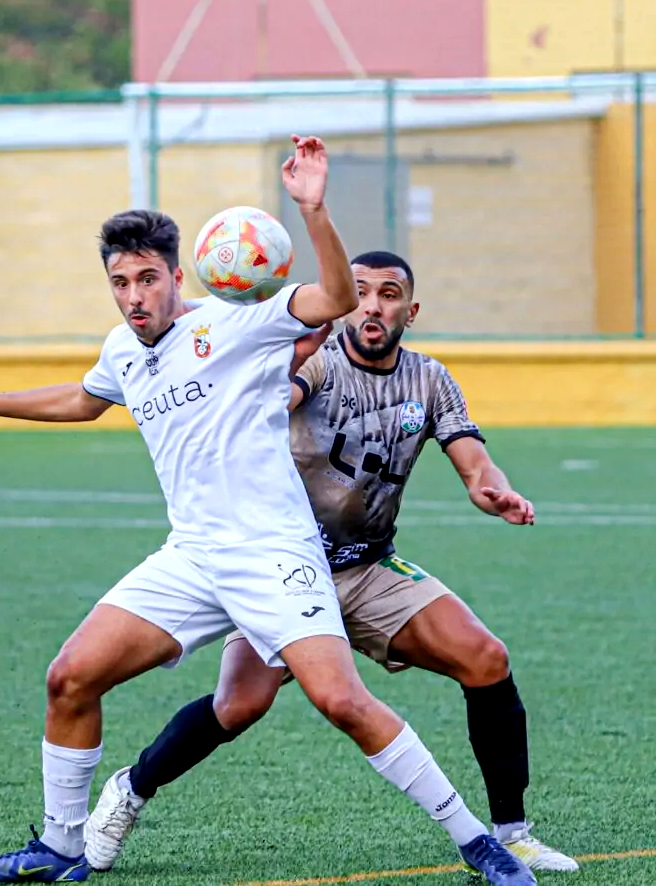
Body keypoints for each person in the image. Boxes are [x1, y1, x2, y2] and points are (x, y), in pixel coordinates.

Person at [0, 137, 536, 886]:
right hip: (193, 554)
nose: (134, 296)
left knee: (341, 700)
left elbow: (332, 298)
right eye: (120, 282)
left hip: (274, 551)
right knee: (70, 676)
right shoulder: (123, 350)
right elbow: (82, 398)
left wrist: (312, 209)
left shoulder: (239, 325)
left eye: (147, 278)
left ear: (179, 274)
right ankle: (61, 847)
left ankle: (477, 841)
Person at [85, 251, 578, 875]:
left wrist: (490, 489)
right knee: (239, 705)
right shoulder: (316, 361)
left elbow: (472, 457)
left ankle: (511, 832)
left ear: (410, 310)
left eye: (389, 294)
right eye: (362, 292)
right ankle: (130, 790)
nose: (372, 306)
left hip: (370, 567)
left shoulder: (429, 379)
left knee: (486, 658)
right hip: (281, 568)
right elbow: (272, 394)